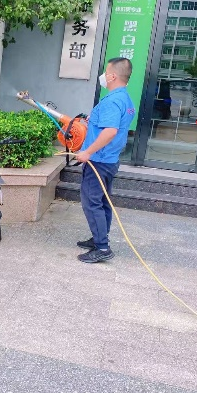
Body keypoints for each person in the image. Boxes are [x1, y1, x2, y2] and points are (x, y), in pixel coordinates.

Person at [74, 57, 135, 263]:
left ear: (113, 76)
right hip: (109, 160)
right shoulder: (125, 99)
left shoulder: (112, 101)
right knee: (102, 201)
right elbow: (111, 126)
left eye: (106, 72)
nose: (103, 76)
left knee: (92, 203)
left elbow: (110, 131)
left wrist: (87, 152)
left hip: (99, 160)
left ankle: (102, 248)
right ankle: (99, 238)